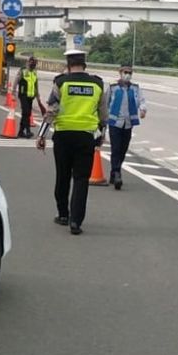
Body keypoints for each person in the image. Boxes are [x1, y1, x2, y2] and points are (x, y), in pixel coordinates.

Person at [36, 48, 108, 235]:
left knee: (63, 175)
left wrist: (41, 135)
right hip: (86, 137)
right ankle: (76, 221)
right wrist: (101, 136)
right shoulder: (98, 84)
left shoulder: (61, 82)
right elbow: (103, 114)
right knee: (81, 179)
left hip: (63, 136)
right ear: (85, 64)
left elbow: (51, 111)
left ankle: (63, 215)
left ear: (68, 65)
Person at [106, 64, 147, 190]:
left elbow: (141, 100)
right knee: (116, 148)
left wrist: (143, 109)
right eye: (125, 72)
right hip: (115, 123)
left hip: (128, 123)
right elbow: (105, 102)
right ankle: (117, 173)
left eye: (130, 72)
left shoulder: (135, 88)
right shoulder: (113, 87)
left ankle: (114, 173)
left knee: (123, 150)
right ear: (120, 73)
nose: (127, 75)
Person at [15, 56, 46, 138]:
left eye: (35, 64)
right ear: (28, 62)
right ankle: (28, 131)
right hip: (23, 95)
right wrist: (12, 92)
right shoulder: (23, 70)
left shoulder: (35, 72)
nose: (33, 65)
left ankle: (20, 132)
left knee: (26, 114)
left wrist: (38, 97)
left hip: (31, 96)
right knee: (26, 113)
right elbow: (16, 81)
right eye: (32, 63)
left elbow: (36, 85)